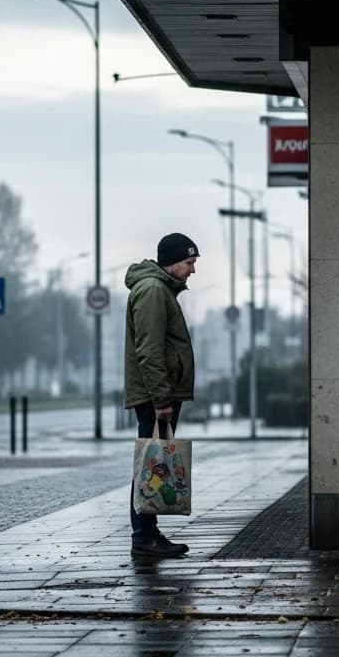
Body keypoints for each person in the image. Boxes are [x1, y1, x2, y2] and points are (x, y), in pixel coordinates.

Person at [123, 232, 199, 558]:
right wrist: (162, 398)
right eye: (189, 262)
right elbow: (150, 350)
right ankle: (143, 536)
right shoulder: (153, 291)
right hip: (157, 395)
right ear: (172, 262)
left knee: (152, 463)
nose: (192, 270)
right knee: (150, 463)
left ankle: (148, 533)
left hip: (161, 393)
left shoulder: (159, 290)